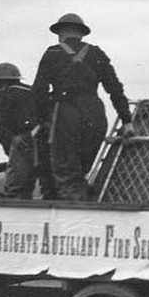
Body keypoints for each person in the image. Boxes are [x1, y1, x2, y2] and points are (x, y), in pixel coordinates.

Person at [30, 13, 132, 201]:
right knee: (82, 169)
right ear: (81, 34)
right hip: (95, 113)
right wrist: (126, 120)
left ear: (60, 33)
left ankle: (73, 218)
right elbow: (115, 89)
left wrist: (39, 120)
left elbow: (39, 90)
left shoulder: (52, 53)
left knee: (66, 171)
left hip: (66, 113)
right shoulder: (97, 53)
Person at [0, 62, 55, 199]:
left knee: (17, 190)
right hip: (48, 140)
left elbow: (4, 131)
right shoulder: (35, 92)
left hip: (23, 142)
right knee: (50, 188)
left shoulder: (4, 97)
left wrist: (11, 154)